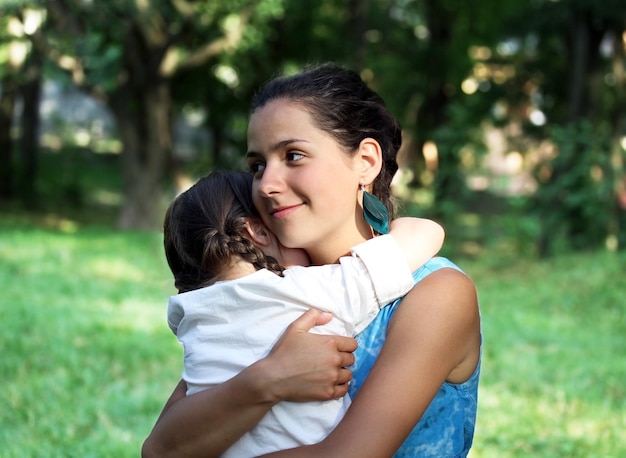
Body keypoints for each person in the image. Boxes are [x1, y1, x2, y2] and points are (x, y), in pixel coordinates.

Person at [142, 63, 481, 458]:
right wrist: (268, 378)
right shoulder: (265, 290)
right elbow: (160, 449)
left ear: (366, 162)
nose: (266, 184)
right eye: (257, 166)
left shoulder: (436, 293)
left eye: (294, 155)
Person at [163, 169, 445, 457]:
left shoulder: (193, 318)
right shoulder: (306, 291)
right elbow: (425, 233)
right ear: (257, 231)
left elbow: (158, 447)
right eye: (282, 229)